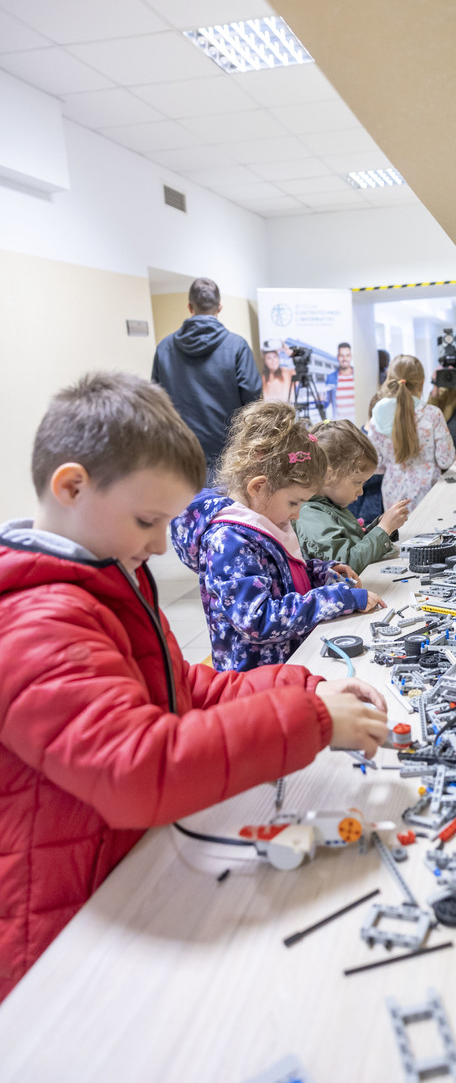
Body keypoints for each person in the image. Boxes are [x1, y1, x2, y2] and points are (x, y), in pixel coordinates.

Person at [0, 374, 388, 1001]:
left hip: (125, 875)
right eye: (147, 520)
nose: (160, 545)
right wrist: (310, 723)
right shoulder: (37, 622)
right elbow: (138, 768)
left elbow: (182, 688)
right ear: (71, 488)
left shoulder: (102, 573)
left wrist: (301, 686)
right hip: (62, 930)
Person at [170, 402, 386, 671]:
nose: (297, 514)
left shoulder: (266, 517)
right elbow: (259, 620)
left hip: (287, 665)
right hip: (255, 680)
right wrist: (338, 599)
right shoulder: (228, 541)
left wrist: (319, 572)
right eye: (294, 502)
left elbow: (278, 577)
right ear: (259, 487)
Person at [152, 277, 262, 476]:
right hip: (228, 457)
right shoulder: (237, 346)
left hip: (180, 455)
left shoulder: (164, 348)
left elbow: (156, 402)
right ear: (219, 307)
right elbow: (253, 400)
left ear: (189, 307)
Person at [296, 420, 409, 571]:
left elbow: (354, 544)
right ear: (329, 475)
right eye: (357, 482)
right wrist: (384, 529)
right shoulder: (311, 516)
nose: (361, 492)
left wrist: (379, 526)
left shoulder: (329, 505)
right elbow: (345, 565)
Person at [367, 354, 456, 512]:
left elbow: (376, 466)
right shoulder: (432, 414)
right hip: (428, 493)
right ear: (421, 383)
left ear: (390, 381)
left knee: (400, 529)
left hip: (392, 496)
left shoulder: (377, 417)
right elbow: (446, 460)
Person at [325, 341, 356, 420]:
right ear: (337, 357)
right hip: (339, 424)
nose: (344, 359)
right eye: (342, 356)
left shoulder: (359, 376)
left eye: (347, 355)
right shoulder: (331, 378)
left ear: (351, 357)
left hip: (357, 424)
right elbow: (327, 403)